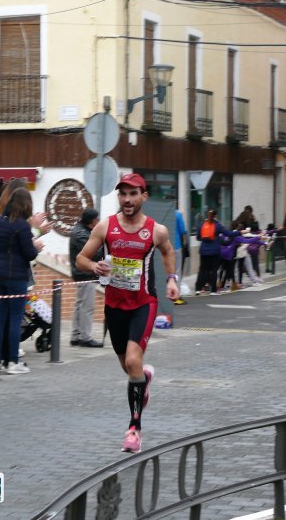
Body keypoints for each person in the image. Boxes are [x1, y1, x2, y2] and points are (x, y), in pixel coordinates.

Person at [76, 173, 179, 454]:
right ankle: (142, 378)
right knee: (129, 367)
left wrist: (172, 279)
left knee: (133, 360)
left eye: (133, 194)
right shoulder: (105, 227)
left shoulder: (156, 230)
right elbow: (81, 258)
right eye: (123, 194)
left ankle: (134, 429)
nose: (128, 199)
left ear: (143, 197)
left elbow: (168, 252)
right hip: (114, 306)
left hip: (143, 304)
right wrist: (94, 267)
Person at [0, 187, 44, 374]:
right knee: (14, 318)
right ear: (26, 204)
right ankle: (13, 362)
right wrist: (36, 247)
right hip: (16, 276)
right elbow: (29, 254)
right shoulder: (20, 225)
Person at [69, 208, 103, 348]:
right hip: (85, 273)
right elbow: (93, 254)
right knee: (87, 306)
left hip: (82, 273)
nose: (99, 221)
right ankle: (85, 337)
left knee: (80, 304)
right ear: (92, 221)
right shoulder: (82, 234)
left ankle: (76, 335)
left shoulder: (81, 230)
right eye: (97, 219)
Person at [195, 209, 242, 295]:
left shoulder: (202, 225)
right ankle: (213, 290)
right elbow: (229, 233)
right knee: (213, 270)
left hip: (203, 251)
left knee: (202, 270)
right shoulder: (218, 225)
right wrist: (239, 232)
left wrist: (205, 240)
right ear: (215, 216)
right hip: (214, 251)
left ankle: (198, 289)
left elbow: (197, 237)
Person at [174, 207, 188, 305]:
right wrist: (185, 243)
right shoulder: (178, 215)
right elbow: (183, 231)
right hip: (176, 246)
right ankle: (176, 297)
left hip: (163, 246)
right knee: (177, 271)